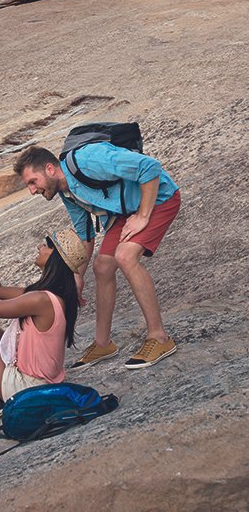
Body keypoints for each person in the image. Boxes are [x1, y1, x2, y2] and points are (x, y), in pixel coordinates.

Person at [14, 143, 181, 370]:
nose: (32, 190)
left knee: (125, 257)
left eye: (33, 182)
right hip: (124, 213)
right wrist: (77, 277)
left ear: (50, 169)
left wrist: (143, 215)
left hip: (158, 199)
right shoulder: (66, 191)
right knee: (102, 266)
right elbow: (85, 236)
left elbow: (149, 167)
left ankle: (160, 337)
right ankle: (103, 344)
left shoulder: (88, 160)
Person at [0, 224, 85, 424]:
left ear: (56, 260)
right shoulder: (53, 294)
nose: (40, 246)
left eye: (48, 246)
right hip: (38, 383)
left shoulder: (41, 300)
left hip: (25, 387)